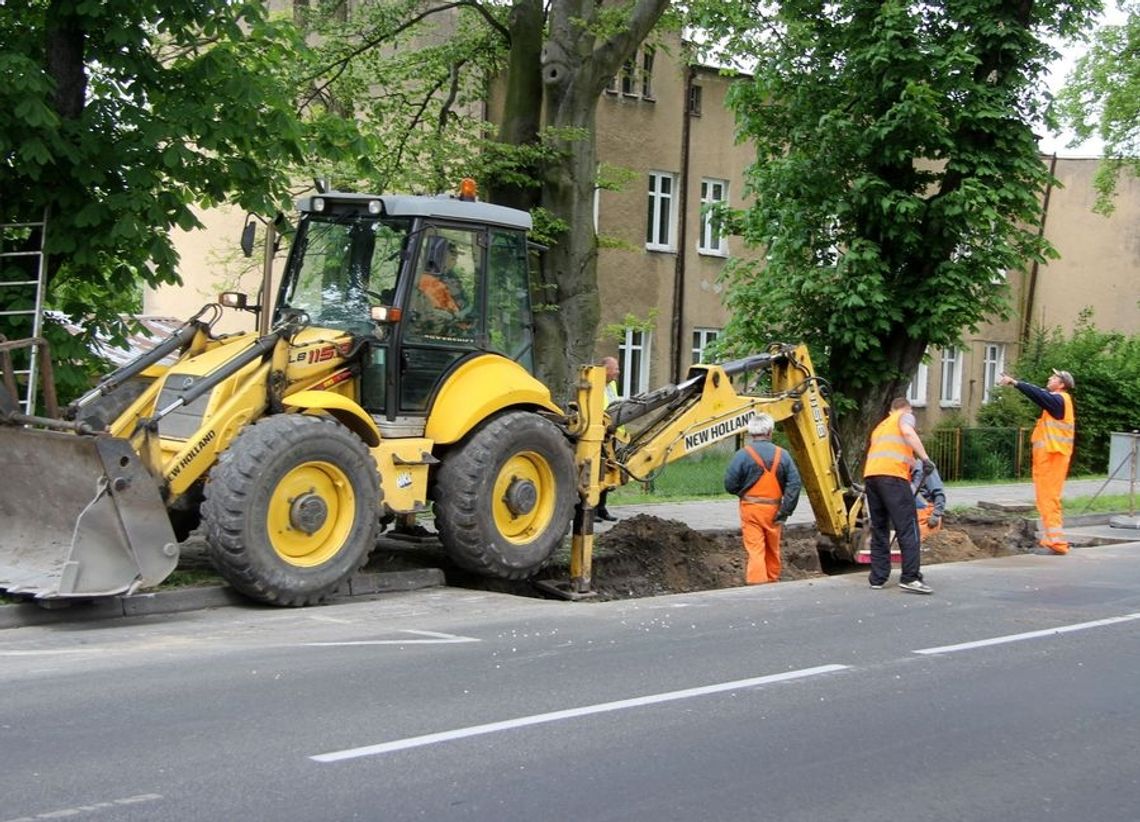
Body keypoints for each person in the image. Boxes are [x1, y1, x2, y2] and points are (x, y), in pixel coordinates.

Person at [997, 369, 1076, 555]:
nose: (1049, 378)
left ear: (1062, 384)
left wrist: (1015, 383)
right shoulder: (1058, 401)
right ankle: (1051, 540)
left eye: (1054, 377)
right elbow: (1040, 393)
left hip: (1053, 457)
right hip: (1050, 457)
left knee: (1049, 499)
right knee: (1045, 499)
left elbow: (1038, 394)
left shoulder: (1059, 400)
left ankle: (1056, 543)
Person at [864, 397, 935, 593]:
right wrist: (925, 459)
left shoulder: (880, 427)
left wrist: (913, 463)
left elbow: (892, 452)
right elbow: (908, 433)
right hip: (893, 477)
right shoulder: (904, 416)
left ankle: (877, 578)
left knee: (880, 528)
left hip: (872, 477)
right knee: (908, 526)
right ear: (907, 409)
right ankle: (910, 577)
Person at [723, 413, 802, 584]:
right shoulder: (783, 455)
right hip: (774, 510)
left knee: (755, 549)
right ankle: (772, 580)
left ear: (751, 432)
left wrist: (743, 493)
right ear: (770, 432)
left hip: (750, 509)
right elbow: (794, 484)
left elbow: (730, 484)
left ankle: (757, 583)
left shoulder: (742, 455)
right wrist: (785, 510)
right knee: (773, 548)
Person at [596, 356, 622, 522]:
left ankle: (601, 508)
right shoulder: (594, 385)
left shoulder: (611, 385)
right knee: (595, 473)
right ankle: (589, 509)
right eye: (615, 369)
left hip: (611, 434)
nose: (618, 372)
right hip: (597, 435)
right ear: (605, 370)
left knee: (607, 470)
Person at [911, 462, 947, 542]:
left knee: (922, 543)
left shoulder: (925, 468)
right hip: (911, 515)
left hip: (926, 516)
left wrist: (936, 514)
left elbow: (939, 493)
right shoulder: (903, 472)